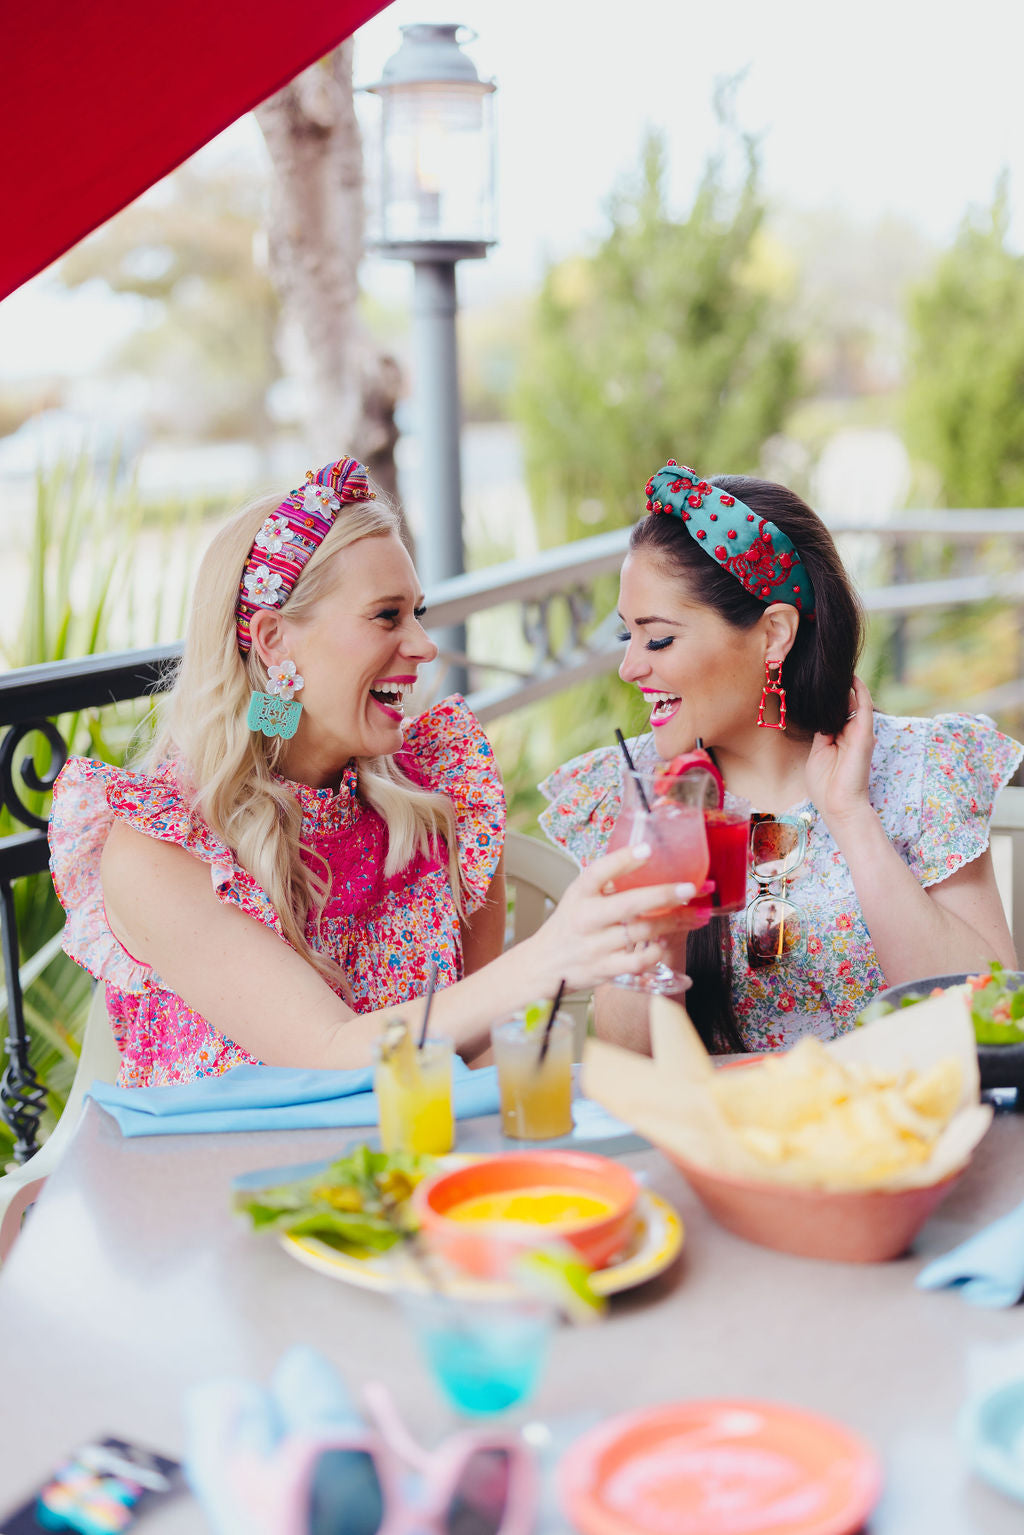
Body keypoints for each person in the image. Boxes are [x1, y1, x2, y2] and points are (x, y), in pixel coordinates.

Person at [48, 457, 686, 1086]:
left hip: (415, 1171)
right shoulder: (161, 844)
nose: (423, 645)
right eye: (387, 615)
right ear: (273, 641)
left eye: (419, 613)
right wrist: (553, 954)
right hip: (226, 1185)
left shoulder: (442, 785)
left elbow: (478, 1051)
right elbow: (326, 1051)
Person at [539, 461, 1022, 1056]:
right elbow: (632, 1057)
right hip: (728, 1137)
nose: (630, 667)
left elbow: (987, 1017)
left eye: (658, 638)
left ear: (773, 635)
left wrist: (851, 816)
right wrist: (662, 878)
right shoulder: (634, 789)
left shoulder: (924, 768)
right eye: (627, 636)